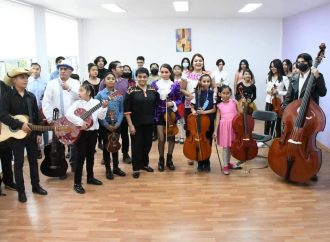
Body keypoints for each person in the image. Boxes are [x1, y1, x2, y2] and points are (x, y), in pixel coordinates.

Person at [0, 68, 47, 203]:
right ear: (14, 80)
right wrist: (19, 125)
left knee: (33, 162)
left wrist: (38, 133)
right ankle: (21, 191)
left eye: (26, 77)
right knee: (19, 163)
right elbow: (2, 115)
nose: (26, 79)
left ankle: (36, 186)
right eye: (22, 77)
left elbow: (37, 116)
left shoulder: (31, 96)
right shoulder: (7, 96)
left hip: (31, 135)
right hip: (15, 137)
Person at [282, 53, 327, 181]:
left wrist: (317, 76)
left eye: (302, 61)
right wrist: (285, 111)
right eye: (298, 61)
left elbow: (323, 92)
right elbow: (289, 97)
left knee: (308, 143)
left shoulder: (316, 76)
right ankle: (288, 162)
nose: (300, 63)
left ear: (309, 62)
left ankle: (310, 170)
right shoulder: (295, 78)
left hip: (309, 116)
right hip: (294, 114)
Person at [65, 82, 108, 194]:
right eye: (79, 90)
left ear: (88, 92)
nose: (79, 93)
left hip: (93, 133)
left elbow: (101, 117)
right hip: (81, 134)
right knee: (80, 158)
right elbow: (68, 114)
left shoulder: (96, 102)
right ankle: (77, 183)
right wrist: (80, 122)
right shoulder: (77, 103)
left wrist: (104, 107)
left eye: (81, 90)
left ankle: (90, 177)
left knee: (90, 156)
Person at [42, 60, 80, 176]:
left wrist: (69, 88)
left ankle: (74, 166)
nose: (62, 71)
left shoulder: (75, 83)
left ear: (71, 71)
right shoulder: (51, 83)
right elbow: (46, 101)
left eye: (65, 69)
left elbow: (80, 98)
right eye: (61, 69)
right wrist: (49, 118)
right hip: (56, 119)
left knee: (74, 143)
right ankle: (61, 169)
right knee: (58, 145)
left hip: (72, 119)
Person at [124, 67, 158, 179]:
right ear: (136, 77)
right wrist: (130, 125)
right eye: (140, 77)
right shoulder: (131, 90)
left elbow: (156, 105)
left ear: (147, 77)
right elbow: (127, 110)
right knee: (136, 146)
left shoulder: (153, 89)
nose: (142, 79)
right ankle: (136, 168)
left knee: (147, 145)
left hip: (149, 123)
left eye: (144, 77)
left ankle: (144, 164)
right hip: (136, 124)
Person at [95, 72, 126, 180]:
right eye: (108, 78)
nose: (111, 80)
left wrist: (118, 123)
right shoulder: (100, 94)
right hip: (105, 125)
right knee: (106, 147)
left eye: (113, 78)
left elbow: (122, 110)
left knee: (115, 145)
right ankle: (108, 169)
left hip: (117, 125)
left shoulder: (119, 94)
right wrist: (106, 125)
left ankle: (116, 168)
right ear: (104, 81)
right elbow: (97, 112)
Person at [151, 64, 182, 172]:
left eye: (166, 72)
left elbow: (179, 99)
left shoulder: (175, 85)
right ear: (160, 72)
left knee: (171, 137)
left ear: (170, 73)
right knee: (161, 139)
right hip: (159, 113)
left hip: (171, 114)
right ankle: (161, 159)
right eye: (162, 72)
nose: (164, 74)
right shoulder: (154, 84)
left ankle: (169, 159)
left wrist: (172, 103)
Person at [100, 61, 131, 164]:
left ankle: (125, 154)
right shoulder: (104, 82)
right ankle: (106, 156)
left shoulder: (125, 81)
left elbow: (127, 97)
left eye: (122, 67)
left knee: (125, 135)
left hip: (122, 112)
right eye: (120, 67)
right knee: (108, 136)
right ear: (113, 69)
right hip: (108, 115)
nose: (122, 69)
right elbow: (100, 99)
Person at [190, 74, 216, 172]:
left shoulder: (212, 93)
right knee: (199, 141)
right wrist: (193, 111)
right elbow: (191, 106)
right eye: (204, 81)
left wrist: (204, 112)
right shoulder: (195, 92)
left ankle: (207, 161)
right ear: (200, 82)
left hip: (208, 121)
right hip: (198, 121)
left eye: (208, 81)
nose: (206, 83)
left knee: (208, 142)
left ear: (210, 83)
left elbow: (214, 109)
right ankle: (200, 161)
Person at [213, 85, 241, 175]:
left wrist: (241, 104)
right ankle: (225, 165)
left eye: (228, 93)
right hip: (224, 128)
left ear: (230, 93)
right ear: (220, 94)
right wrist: (215, 131)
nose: (226, 95)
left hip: (234, 126)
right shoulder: (219, 105)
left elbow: (240, 112)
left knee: (231, 146)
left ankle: (228, 163)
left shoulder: (234, 102)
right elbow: (217, 118)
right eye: (223, 93)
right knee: (226, 147)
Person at [263, 59, 289, 139]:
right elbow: (266, 89)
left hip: (278, 103)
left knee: (277, 121)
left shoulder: (284, 78)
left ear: (278, 67)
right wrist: (268, 91)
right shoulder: (268, 76)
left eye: (274, 67)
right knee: (267, 121)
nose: (272, 68)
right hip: (268, 101)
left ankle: (277, 139)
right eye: (271, 67)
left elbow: (288, 92)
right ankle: (265, 138)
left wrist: (278, 92)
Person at [27, 62, 48, 159]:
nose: (35, 71)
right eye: (33, 69)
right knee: (35, 128)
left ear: (40, 70)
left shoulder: (44, 82)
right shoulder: (27, 82)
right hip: (30, 109)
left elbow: (46, 96)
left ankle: (47, 148)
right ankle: (38, 149)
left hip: (42, 108)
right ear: (30, 70)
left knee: (45, 128)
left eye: (37, 69)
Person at [0, 79, 16, 192]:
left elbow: (12, 106)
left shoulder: (4, 85)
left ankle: (9, 182)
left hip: (5, 128)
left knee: (6, 156)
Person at [173, 64, 185, 144]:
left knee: (181, 119)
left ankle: (182, 136)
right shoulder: (170, 79)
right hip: (172, 102)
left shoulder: (183, 80)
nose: (177, 70)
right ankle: (175, 135)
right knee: (173, 119)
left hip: (180, 101)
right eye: (175, 69)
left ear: (181, 70)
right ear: (173, 70)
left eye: (178, 69)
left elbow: (183, 90)